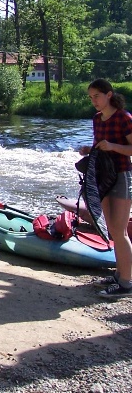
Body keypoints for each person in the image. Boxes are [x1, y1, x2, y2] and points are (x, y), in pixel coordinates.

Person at [79, 79, 132, 298]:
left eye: (97, 96)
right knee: (111, 229)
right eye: (91, 98)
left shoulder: (124, 118)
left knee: (120, 231)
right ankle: (120, 274)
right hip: (103, 177)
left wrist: (112, 146)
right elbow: (98, 146)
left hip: (121, 176)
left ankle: (127, 283)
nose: (94, 101)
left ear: (109, 95)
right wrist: (88, 149)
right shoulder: (97, 119)